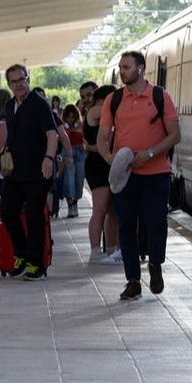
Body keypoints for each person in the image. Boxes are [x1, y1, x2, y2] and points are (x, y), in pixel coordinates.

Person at [100, 51, 180, 302]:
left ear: (141, 68)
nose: (121, 71)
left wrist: (150, 153)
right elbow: (102, 136)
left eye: (126, 67)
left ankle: (155, 263)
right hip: (126, 175)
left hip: (156, 173)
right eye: (121, 67)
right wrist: (110, 158)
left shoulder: (160, 96)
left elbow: (175, 135)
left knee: (156, 222)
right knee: (126, 226)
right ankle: (133, 280)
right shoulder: (114, 99)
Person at [0, 65, 59, 280]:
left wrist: (48, 158)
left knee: (34, 216)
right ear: (9, 84)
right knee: (7, 210)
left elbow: (52, 134)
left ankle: (36, 263)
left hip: (38, 170)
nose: (19, 84)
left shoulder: (39, 104)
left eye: (22, 79)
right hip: (15, 171)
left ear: (28, 79)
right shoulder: (9, 106)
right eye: (14, 81)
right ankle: (21, 253)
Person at [83, 85, 120, 265]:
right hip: (97, 166)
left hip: (108, 164)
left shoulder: (103, 113)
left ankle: (112, 249)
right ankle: (95, 251)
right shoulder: (95, 111)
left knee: (112, 211)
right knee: (100, 209)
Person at [60, 105, 87, 219]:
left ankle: (75, 203)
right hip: (67, 153)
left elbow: (86, 138)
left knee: (79, 179)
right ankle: (70, 205)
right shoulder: (62, 126)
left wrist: (84, 145)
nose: (71, 120)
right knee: (69, 180)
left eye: (73, 117)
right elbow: (60, 139)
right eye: (68, 117)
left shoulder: (80, 125)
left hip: (80, 153)